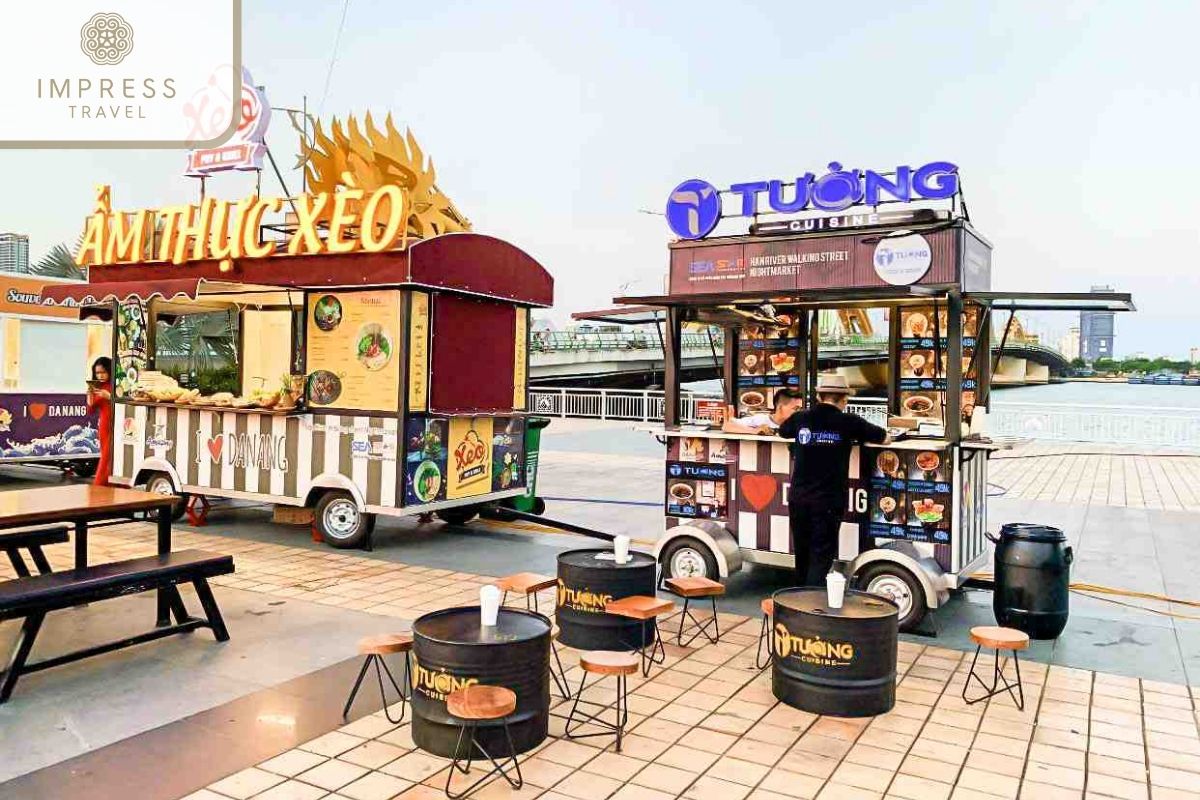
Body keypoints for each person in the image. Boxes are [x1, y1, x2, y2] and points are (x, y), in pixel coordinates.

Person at [777, 374, 890, 586]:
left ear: (819, 396)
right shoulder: (849, 422)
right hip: (828, 501)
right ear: (844, 400)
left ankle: (799, 602)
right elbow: (884, 437)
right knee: (821, 555)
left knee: (802, 554)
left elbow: (783, 430)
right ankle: (811, 606)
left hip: (798, 497)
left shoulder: (802, 418)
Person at [722, 388, 805, 434]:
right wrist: (754, 431)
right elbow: (727, 426)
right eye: (796, 409)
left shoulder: (801, 424)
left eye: (800, 409)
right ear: (780, 407)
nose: (799, 412)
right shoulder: (760, 420)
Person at [87, 357, 114, 487]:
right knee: (105, 456)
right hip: (104, 425)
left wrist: (109, 396)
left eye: (103, 372)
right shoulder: (98, 387)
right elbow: (90, 409)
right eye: (97, 373)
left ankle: (107, 484)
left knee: (112, 457)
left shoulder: (116, 385)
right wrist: (90, 395)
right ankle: (101, 485)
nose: (100, 375)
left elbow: (124, 402)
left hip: (118, 423)